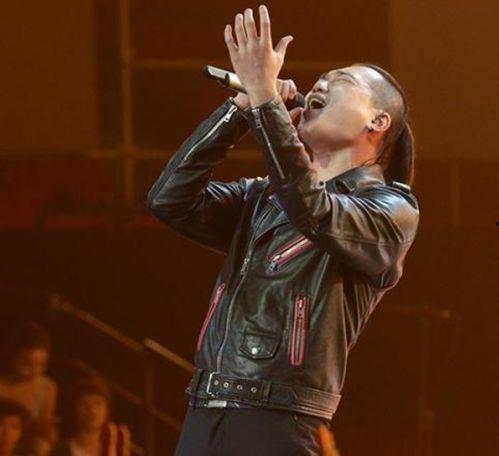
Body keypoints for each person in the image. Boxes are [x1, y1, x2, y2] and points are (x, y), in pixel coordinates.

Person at [147, 5, 419, 455]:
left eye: (341, 81)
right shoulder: (262, 198)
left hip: (279, 422)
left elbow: (313, 210)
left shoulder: (390, 210)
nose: (320, 84)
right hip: (205, 411)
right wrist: (240, 111)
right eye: (320, 80)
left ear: (377, 122)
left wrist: (267, 105)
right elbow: (169, 200)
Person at [52, 377, 130, 456]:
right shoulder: (62, 450)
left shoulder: (114, 449)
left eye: (98, 403)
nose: (92, 410)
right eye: (85, 404)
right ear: (75, 409)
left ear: (107, 408)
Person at [0, 321, 57, 425]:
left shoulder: (46, 388)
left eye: (41, 365)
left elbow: (44, 426)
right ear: (12, 358)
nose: (34, 371)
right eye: (27, 365)